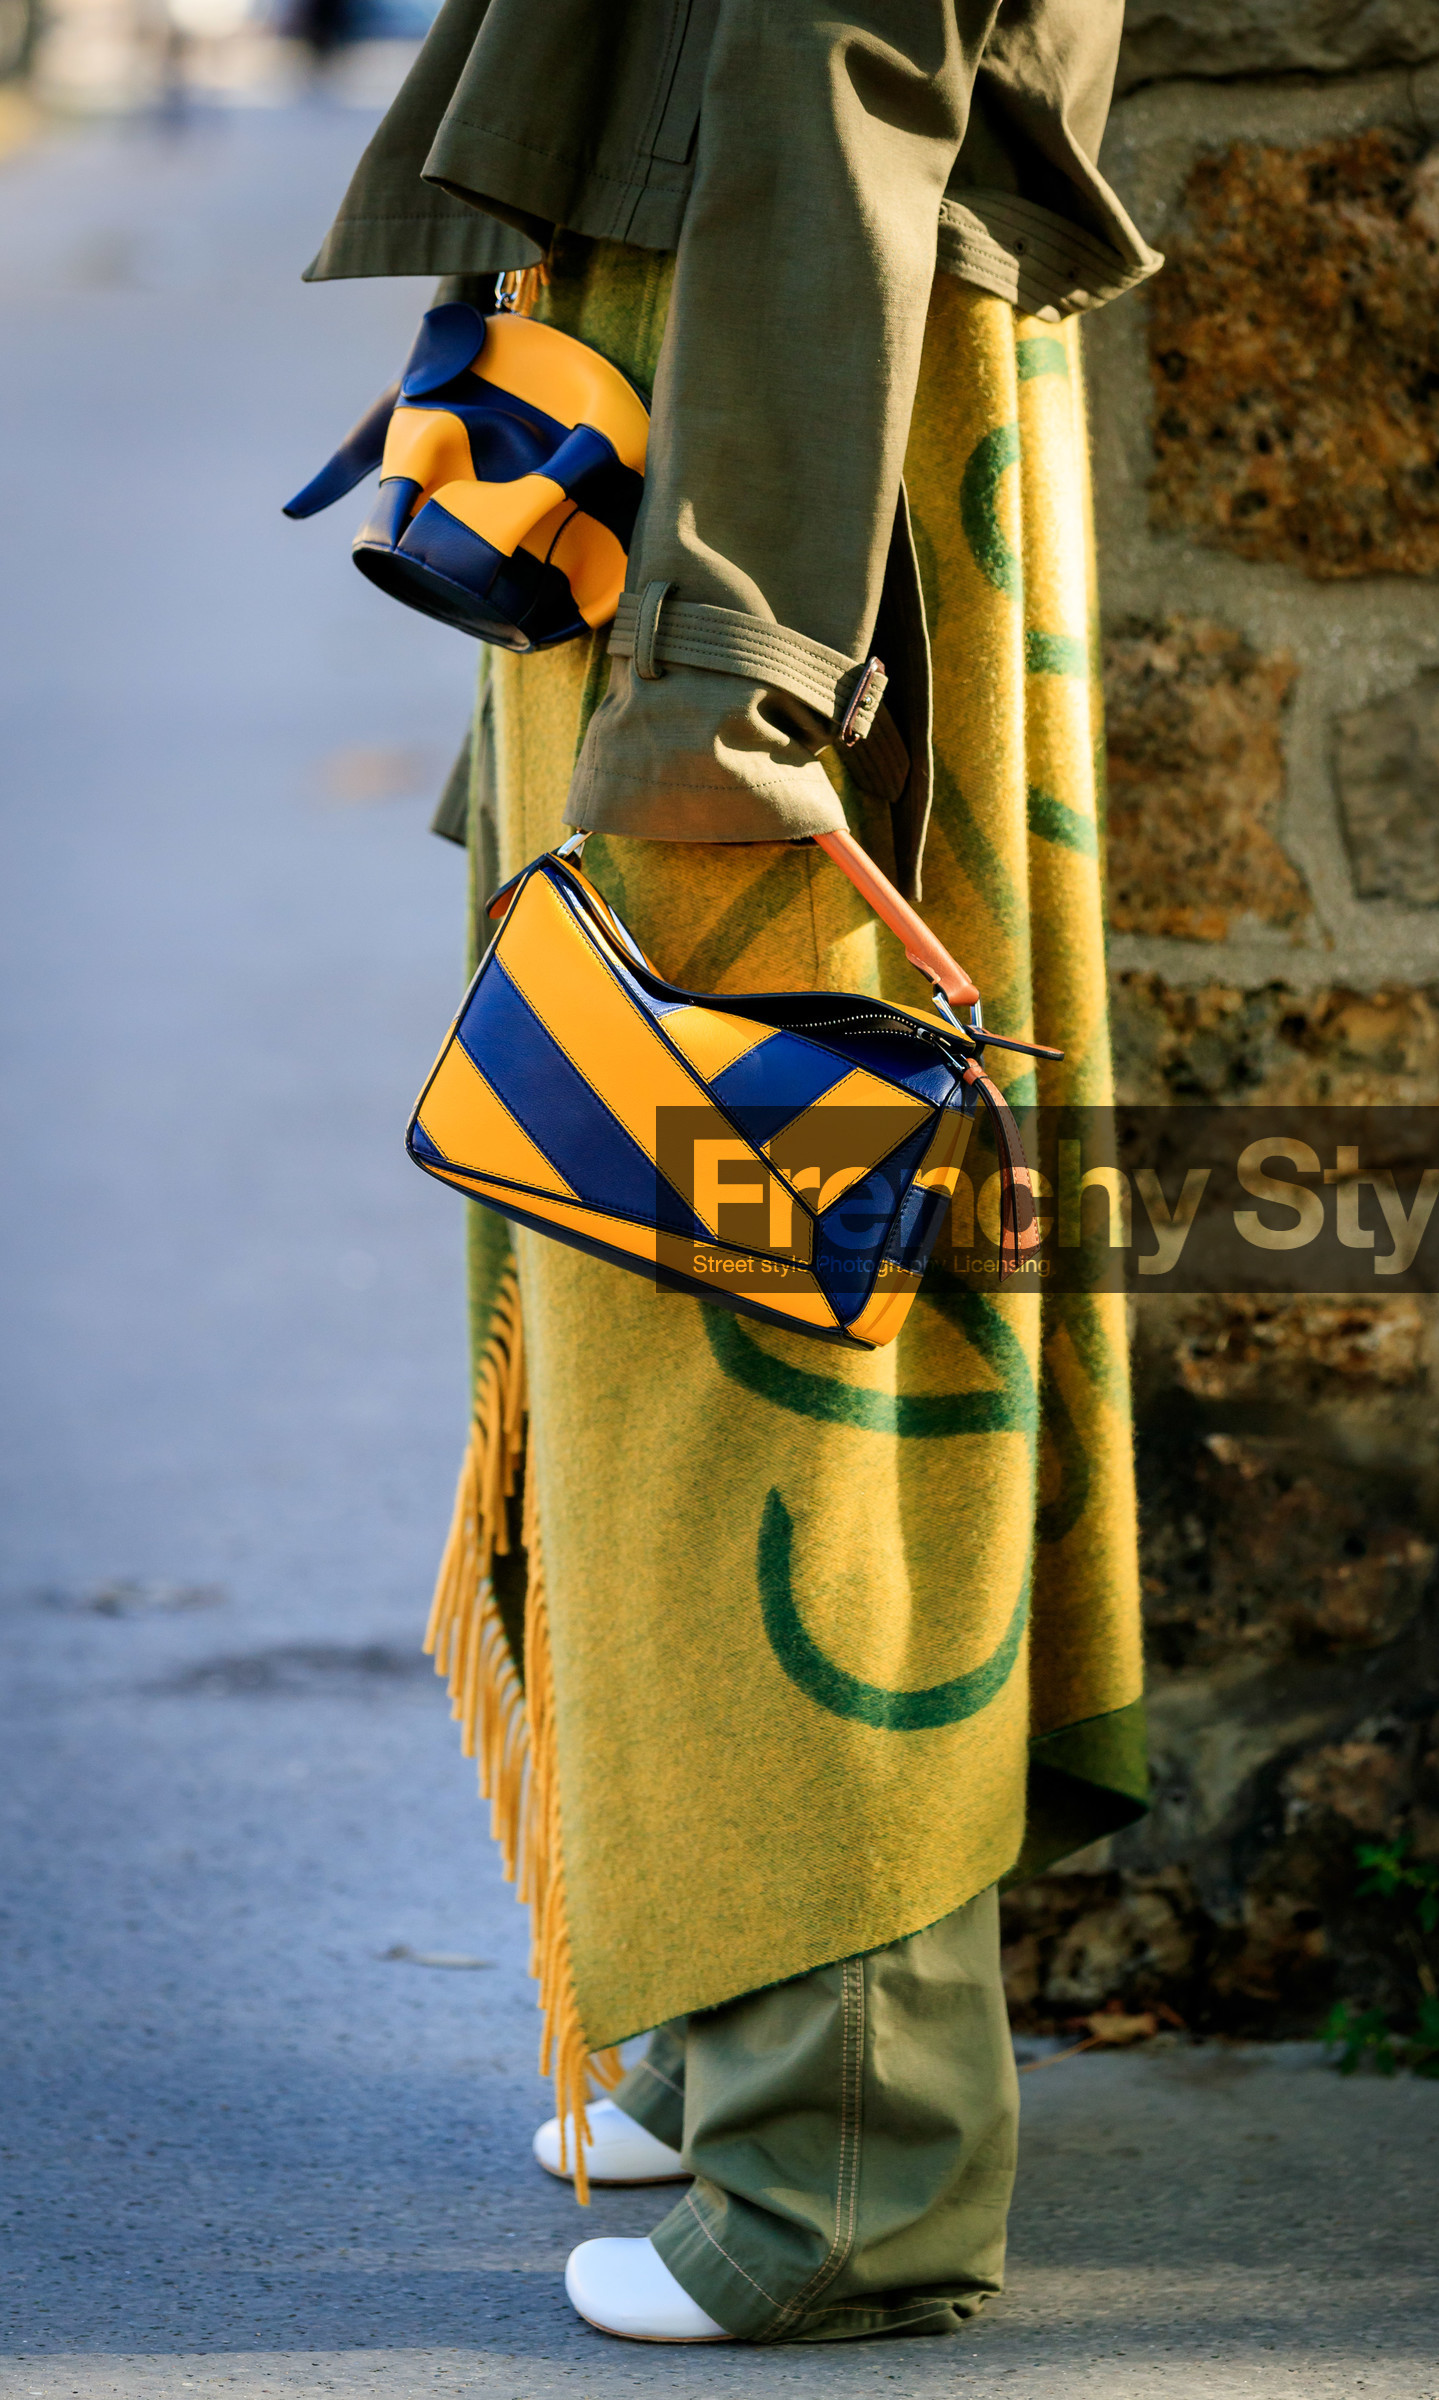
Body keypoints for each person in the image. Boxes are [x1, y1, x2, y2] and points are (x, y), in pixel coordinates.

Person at [305, 0, 1159, 2345]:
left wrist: (732, 676)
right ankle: (722, 2009)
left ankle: (846, 2160)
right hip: (733, 415)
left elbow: (831, 76)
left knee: (761, 1308)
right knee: (645, 1252)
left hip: (780, 452)